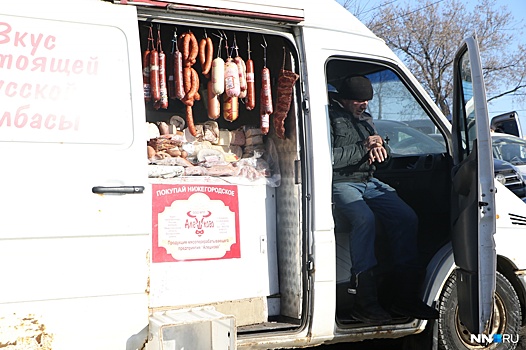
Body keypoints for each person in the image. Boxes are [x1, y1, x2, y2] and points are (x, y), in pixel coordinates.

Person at [330, 75, 439, 323]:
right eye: (359, 100)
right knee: (364, 219)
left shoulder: (366, 120)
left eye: (367, 100)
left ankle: (404, 297)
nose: (364, 105)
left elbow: (380, 153)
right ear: (345, 100)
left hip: (368, 181)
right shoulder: (329, 117)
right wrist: (363, 148)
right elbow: (328, 157)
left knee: (406, 217)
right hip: (340, 182)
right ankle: (364, 303)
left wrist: (382, 147)